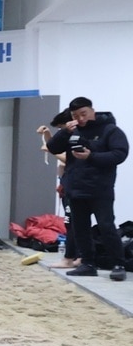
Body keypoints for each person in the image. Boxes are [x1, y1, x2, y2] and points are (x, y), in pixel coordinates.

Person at [45, 97, 129, 280]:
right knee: (80, 228)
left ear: (92, 110)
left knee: (106, 226)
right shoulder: (72, 131)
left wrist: (91, 157)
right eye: (76, 115)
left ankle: (118, 264)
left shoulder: (110, 130)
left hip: (101, 189)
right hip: (75, 188)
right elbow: (52, 148)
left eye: (83, 114)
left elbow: (119, 154)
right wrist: (64, 131)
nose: (80, 119)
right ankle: (87, 263)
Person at [38, 110, 78, 268]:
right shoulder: (66, 137)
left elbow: (67, 158)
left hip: (72, 185)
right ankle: (74, 256)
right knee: (70, 223)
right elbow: (55, 147)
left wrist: (50, 151)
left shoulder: (76, 137)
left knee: (72, 223)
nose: (61, 132)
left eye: (62, 128)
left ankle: (73, 257)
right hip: (65, 183)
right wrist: (47, 134)